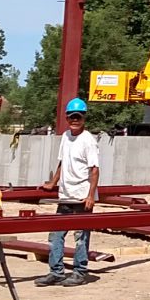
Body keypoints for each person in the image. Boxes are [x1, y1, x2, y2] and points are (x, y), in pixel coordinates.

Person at [38, 97, 100, 286]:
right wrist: (52, 183)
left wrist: (90, 195)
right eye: (72, 117)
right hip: (66, 195)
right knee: (56, 234)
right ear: (66, 118)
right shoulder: (66, 137)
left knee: (81, 237)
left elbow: (95, 169)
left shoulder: (88, 141)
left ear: (84, 118)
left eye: (78, 117)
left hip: (81, 197)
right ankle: (56, 271)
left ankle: (80, 272)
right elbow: (62, 162)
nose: (75, 120)